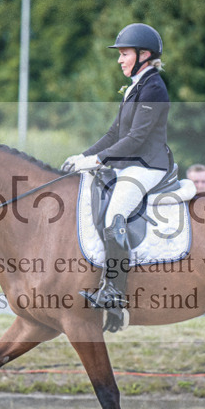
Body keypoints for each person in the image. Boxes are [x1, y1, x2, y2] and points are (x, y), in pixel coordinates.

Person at [62, 23, 173, 332]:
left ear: (144, 55)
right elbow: (114, 133)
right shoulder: (137, 85)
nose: (120, 60)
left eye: (124, 54)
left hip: (148, 166)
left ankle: (114, 292)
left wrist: (97, 160)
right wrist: (83, 157)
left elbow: (137, 138)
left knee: (115, 216)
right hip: (129, 164)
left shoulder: (154, 87)